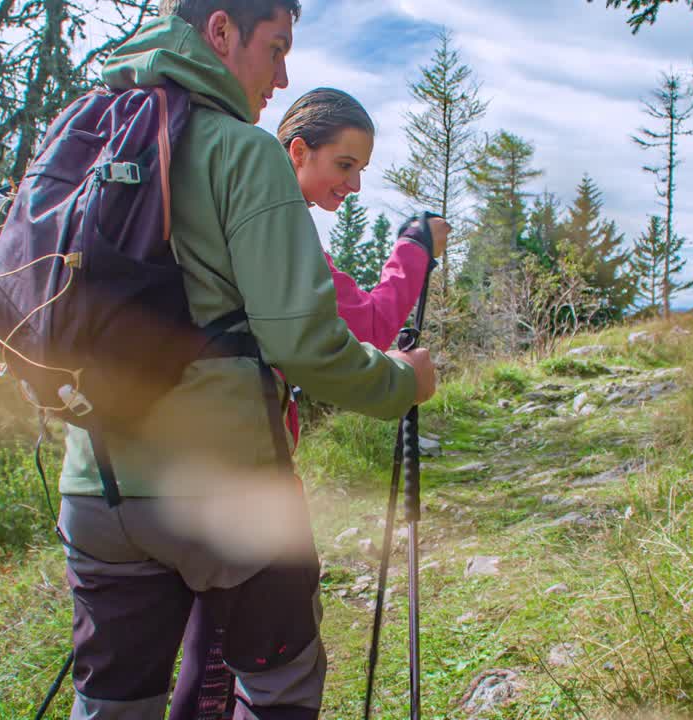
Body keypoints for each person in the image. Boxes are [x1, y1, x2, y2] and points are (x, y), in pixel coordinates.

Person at [55, 2, 438, 719]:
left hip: (94, 486)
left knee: (112, 703)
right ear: (222, 30)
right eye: (277, 46)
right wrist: (402, 384)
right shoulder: (242, 149)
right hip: (228, 490)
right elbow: (304, 341)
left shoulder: (88, 131)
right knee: (278, 691)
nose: (283, 73)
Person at [168, 88, 450, 720]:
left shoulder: (207, 218)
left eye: (361, 172)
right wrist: (414, 250)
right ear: (298, 152)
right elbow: (372, 323)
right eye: (343, 165)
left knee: (208, 648)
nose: (351, 186)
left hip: (157, 468)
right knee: (247, 660)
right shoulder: (284, 244)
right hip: (243, 467)